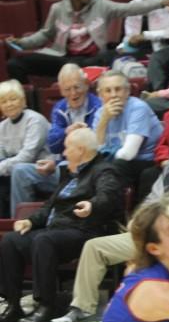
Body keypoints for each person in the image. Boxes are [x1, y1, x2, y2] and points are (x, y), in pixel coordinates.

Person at [53, 123, 169, 322]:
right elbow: (149, 202)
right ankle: (83, 308)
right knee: (94, 247)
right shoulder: (168, 171)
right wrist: (139, 223)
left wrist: (161, 222)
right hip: (148, 234)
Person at [0, 128, 123, 322]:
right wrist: (30, 221)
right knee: (11, 241)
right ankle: (13, 305)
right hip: (58, 230)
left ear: (81, 150)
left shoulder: (104, 170)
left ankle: (46, 305)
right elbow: (50, 206)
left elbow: (107, 196)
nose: (64, 153)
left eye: (67, 148)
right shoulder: (69, 174)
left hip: (86, 230)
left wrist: (92, 205)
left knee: (43, 240)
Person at [6, 0, 169, 84]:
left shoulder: (101, 5)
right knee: (16, 63)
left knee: (109, 55)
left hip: (94, 60)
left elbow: (129, 8)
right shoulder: (57, 9)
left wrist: (161, 3)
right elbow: (45, 35)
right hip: (64, 59)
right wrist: (23, 42)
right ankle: (25, 106)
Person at [11, 64, 102, 215]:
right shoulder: (59, 108)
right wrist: (67, 131)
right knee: (20, 171)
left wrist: (57, 163)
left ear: (86, 85)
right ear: (60, 90)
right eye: (67, 89)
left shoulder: (98, 106)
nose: (73, 93)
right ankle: (22, 223)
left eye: (77, 87)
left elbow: (94, 149)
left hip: (87, 172)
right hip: (63, 167)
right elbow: (53, 146)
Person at [90, 71, 164, 188]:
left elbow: (129, 154)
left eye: (118, 89)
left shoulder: (138, 108)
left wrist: (104, 159)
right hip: (118, 163)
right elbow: (94, 152)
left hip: (147, 162)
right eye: (108, 91)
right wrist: (103, 121)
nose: (113, 95)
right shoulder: (100, 114)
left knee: (111, 168)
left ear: (128, 91)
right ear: (100, 94)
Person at [0, 79, 50, 218]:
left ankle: (18, 222)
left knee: (18, 170)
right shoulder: (2, 126)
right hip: (14, 170)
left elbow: (28, 157)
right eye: (4, 101)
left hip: (43, 170)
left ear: (22, 100)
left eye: (13, 99)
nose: (9, 104)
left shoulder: (35, 120)